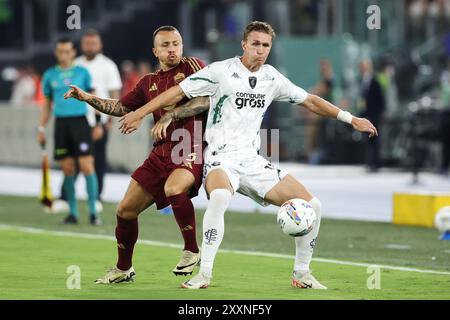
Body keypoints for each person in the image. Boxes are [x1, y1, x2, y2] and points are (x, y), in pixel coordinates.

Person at [119, 21, 378, 290]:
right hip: (220, 158)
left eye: (266, 45)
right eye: (255, 44)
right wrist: (140, 113)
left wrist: (350, 118)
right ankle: (204, 273)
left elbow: (310, 100)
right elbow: (177, 92)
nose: (260, 50)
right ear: (244, 44)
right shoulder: (221, 71)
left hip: (252, 160)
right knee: (219, 197)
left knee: (313, 206)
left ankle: (302, 273)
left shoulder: (271, 78)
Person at [64, 26, 208, 282]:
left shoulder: (193, 67)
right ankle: (123, 268)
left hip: (190, 146)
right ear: (155, 51)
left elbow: (206, 100)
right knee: (125, 210)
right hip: (160, 153)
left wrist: (171, 114)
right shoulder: (148, 82)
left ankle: (191, 250)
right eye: (165, 45)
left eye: (176, 43)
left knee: (175, 189)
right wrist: (87, 98)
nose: (172, 49)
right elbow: (121, 107)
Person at [37, 38, 100, 225]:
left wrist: (97, 123)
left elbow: (93, 98)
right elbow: (47, 105)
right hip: (61, 125)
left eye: (67, 51)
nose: (63, 55)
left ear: (73, 52)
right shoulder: (49, 75)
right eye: (60, 51)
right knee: (67, 168)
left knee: (87, 165)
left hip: (80, 123)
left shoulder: (83, 73)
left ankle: (93, 212)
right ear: (56, 53)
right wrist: (41, 127)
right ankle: (73, 213)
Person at [75, 29, 122, 207]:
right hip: (77, 118)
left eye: (93, 43)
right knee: (74, 158)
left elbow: (114, 93)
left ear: (100, 45)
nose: (90, 46)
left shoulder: (108, 65)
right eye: (87, 43)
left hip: (99, 119)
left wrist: (110, 120)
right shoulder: (75, 64)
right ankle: (66, 196)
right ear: (82, 45)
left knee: (99, 159)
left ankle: (97, 196)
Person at [358, 59, 385, 172]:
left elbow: (381, 100)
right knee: (368, 140)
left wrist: (377, 114)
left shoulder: (375, 81)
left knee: (375, 140)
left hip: (374, 115)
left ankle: (376, 163)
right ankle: (370, 162)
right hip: (366, 115)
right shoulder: (363, 81)